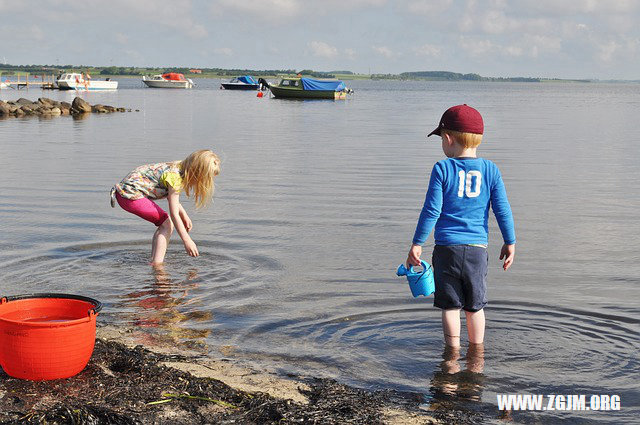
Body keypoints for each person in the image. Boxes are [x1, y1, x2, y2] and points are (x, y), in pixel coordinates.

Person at [406, 104, 515, 348]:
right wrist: (510, 242)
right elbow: (502, 210)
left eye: (441, 139)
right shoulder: (491, 170)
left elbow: (432, 210)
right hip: (477, 249)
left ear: (447, 138)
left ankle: (452, 354)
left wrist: (417, 243)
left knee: (450, 305)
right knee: (475, 307)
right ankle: (477, 354)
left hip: (447, 250)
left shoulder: (442, 169)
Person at [110, 149, 220, 265]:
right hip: (129, 195)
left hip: (124, 194)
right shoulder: (175, 177)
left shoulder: (177, 167)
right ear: (197, 172)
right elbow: (173, 213)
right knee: (167, 224)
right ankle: (157, 266)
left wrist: (184, 215)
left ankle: (154, 261)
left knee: (165, 224)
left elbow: (171, 198)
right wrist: (187, 240)